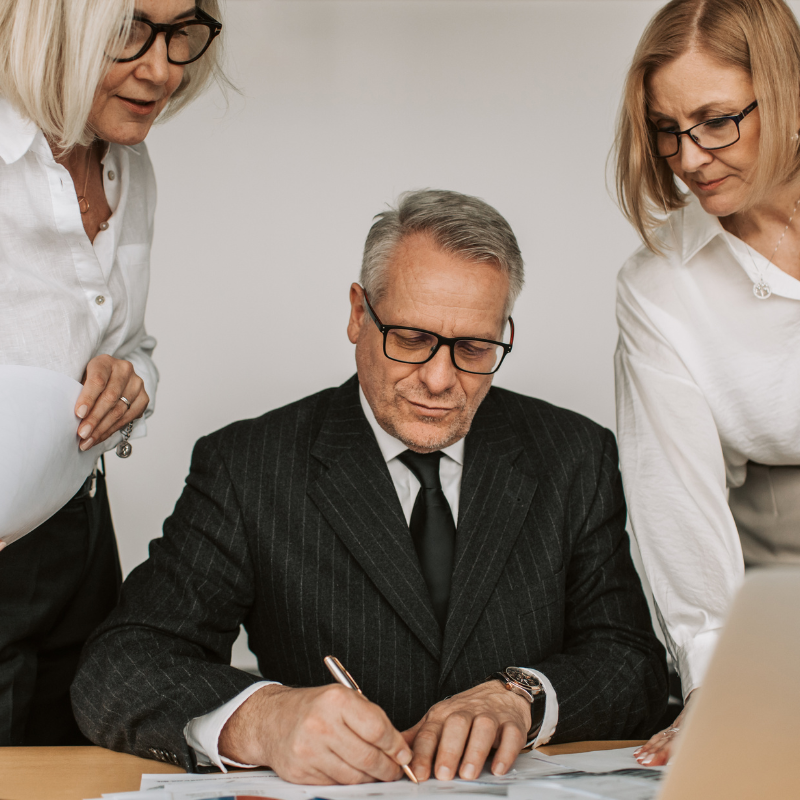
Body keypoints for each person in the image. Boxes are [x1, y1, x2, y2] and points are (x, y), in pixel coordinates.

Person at [72, 189, 668, 782]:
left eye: (473, 347)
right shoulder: (248, 466)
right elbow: (120, 666)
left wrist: (521, 697)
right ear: (359, 313)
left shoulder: (575, 456)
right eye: (409, 338)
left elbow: (632, 664)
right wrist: (264, 718)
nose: (440, 380)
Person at [0, 0, 225, 745]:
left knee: (83, 773)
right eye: (130, 30)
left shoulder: (131, 165)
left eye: (181, 34)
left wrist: (132, 381)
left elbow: (131, 346)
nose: (162, 69)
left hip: (80, 539)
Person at [613, 0, 800, 766]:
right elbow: (677, 504)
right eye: (667, 129)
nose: (688, 157)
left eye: (716, 120)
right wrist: (723, 689)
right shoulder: (660, 288)